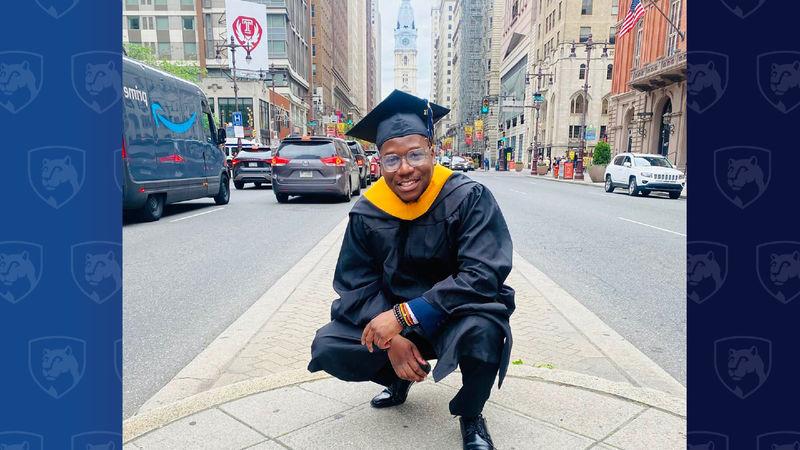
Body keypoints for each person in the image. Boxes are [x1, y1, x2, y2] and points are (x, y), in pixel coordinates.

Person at [308, 90, 515, 450]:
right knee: (329, 344)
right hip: (394, 321)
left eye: (415, 154)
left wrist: (405, 316)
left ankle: (471, 414)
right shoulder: (370, 210)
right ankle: (399, 377)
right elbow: (355, 284)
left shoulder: (468, 197)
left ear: (433, 152)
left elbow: (482, 275)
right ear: (379, 162)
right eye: (391, 159)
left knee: (485, 331)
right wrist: (391, 339)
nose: (404, 169)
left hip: (456, 317)